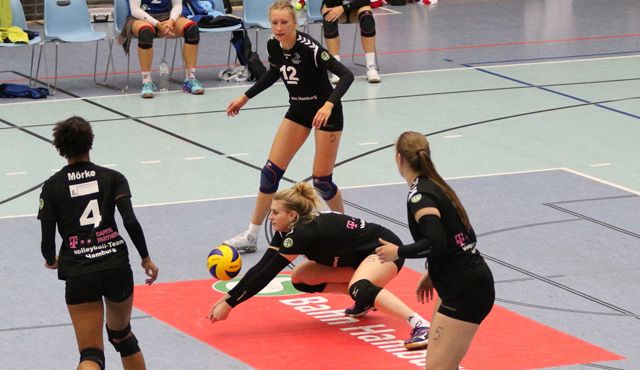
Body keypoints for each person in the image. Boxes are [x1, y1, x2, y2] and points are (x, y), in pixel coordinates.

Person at [208, 182, 430, 350]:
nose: (271, 217)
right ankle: (365, 300)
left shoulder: (303, 232)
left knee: (359, 286)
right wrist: (229, 298)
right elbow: (261, 268)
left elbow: (266, 274)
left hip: (383, 251)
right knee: (300, 277)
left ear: (292, 215)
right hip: (355, 258)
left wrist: (231, 305)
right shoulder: (288, 231)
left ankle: (419, 324)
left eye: (275, 212)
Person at [223, 0, 354, 253]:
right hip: (298, 110)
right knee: (269, 174)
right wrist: (245, 97)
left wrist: (328, 105)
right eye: (274, 23)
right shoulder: (273, 44)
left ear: (295, 23)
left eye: (285, 23)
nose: (279, 27)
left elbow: (346, 75)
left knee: (323, 182)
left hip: (326, 114)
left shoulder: (310, 48)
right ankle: (251, 236)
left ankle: (346, 229)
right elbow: (274, 73)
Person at [38, 116, 159, 370]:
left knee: (91, 354)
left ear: (60, 148)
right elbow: (130, 222)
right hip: (116, 265)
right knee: (122, 336)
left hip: (80, 270)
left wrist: (52, 260)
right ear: (90, 143)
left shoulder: (51, 188)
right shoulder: (113, 178)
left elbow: (47, 239)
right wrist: (145, 258)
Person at [375, 131, 495, 369]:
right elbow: (460, 237)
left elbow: (435, 242)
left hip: (465, 290)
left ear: (398, 158)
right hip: (462, 282)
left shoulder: (420, 196)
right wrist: (432, 270)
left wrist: (397, 252)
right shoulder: (436, 185)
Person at [121, 0, 205, 98]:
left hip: (166, 17)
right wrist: (157, 24)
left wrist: (171, 21)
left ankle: (190, 78)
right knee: (145, 33)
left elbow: (177, 5)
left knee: (192, 28)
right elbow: (135, 10)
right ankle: (147, 81)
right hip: (140, 17)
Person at [322, 0, 381, 83]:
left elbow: (366, 1)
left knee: (367, 20)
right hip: (335, 8)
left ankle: (371, 67)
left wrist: (343, 7)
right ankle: (336, 69)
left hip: (356, 8)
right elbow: (329, 3)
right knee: (329, 21)